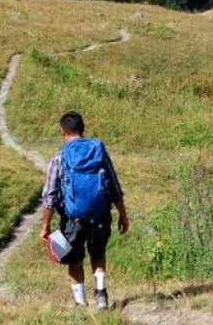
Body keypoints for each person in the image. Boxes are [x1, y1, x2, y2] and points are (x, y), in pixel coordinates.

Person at [40, 111, 129, 310]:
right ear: (83, 129)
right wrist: (123, 215)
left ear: (62, 131)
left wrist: (45, 225)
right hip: (100, 214)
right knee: (98, 254)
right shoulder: (99, 153)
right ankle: (101, 297)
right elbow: (114, 186)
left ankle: (80, 305)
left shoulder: (59, 158)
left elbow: (50, 196)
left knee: (74, 260)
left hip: (72, 218)